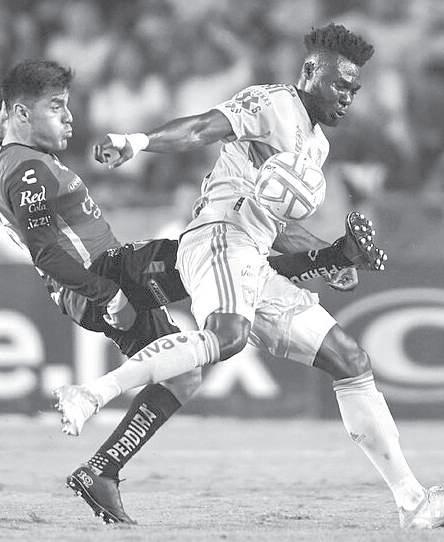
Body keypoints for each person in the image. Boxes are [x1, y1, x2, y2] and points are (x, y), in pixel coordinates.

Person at [56, 23, 444, 529]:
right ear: (310, 71)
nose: (347, 96)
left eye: (354, 88)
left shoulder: (316, 146)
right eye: (338, 83)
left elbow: (277, 229)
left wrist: (334, 257)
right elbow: (203, 128)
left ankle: (412, 502)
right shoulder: (274, 103)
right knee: (227, 337)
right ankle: (92, 394)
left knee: (350, 359)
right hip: (218, 237)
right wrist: (138, 141)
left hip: (251, 257)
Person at [0, 58, 383, 525]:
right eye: (56, 106)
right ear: (20, 114)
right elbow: (45, 254)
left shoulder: (24, 163)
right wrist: (107, 293)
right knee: (216, 253)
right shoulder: (28, 170)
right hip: (103, 276)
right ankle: (328, 258)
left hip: (95, 284)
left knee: (183, 375)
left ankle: (102, 470)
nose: (69, 117)